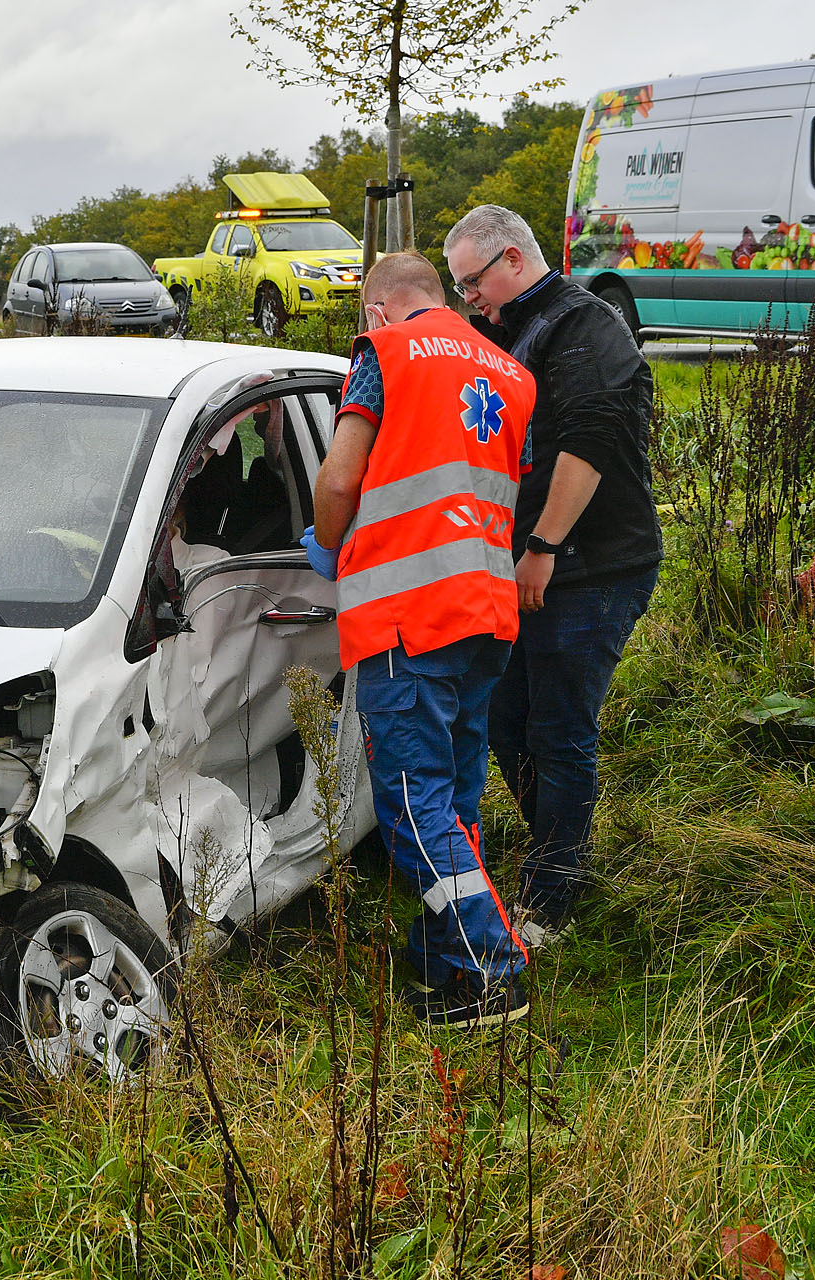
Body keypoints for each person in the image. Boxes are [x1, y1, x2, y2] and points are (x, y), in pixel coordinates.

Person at [303, 253, 536, 1028]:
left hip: (409, 617)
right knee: (453, 800)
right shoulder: (509, 371)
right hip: (486, 612)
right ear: (440, 296)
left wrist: (329, 545)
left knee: (412, 802)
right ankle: (445, 960)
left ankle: (493, 970)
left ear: (377, 311)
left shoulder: (385, 355)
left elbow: (341, 479)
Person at [444, 205, 663, 948]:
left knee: (560, 728)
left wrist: (541, 544)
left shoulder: (583, 326)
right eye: (459, 287)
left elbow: (590, 440)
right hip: (518, 567)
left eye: (473, 281)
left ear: (512, 260)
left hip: (594, 565)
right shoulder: (498, 331)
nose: (468, 297)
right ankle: (559, 849)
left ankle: (551, 898)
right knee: (507, 720)